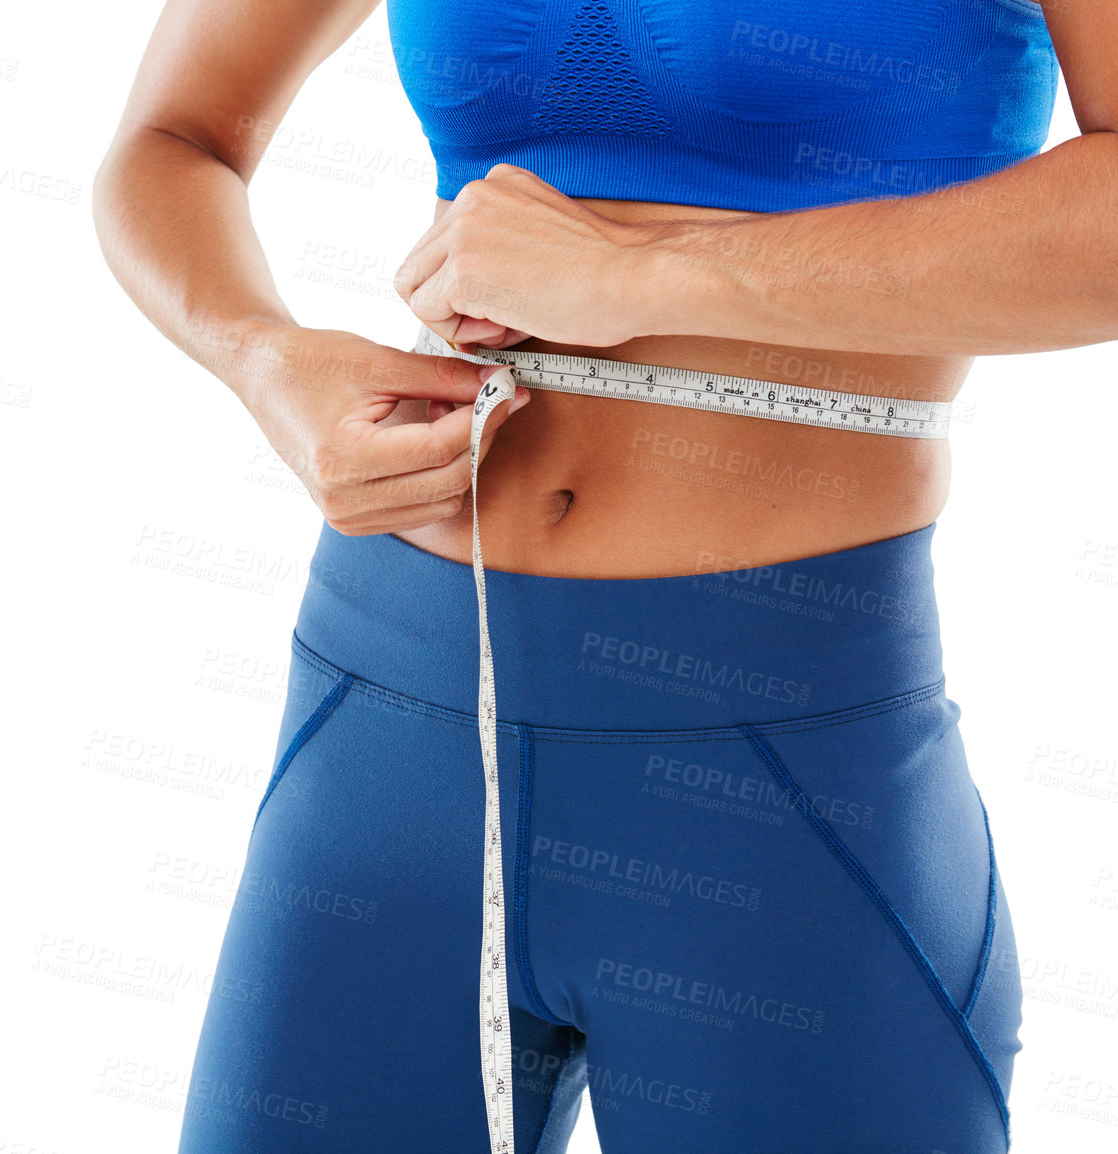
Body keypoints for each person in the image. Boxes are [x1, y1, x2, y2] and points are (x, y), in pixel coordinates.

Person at [91, 1, 1118, 1150]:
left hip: (778, 758)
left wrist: (651, 274)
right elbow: (173, 138)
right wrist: (263, 357)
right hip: (388, 722)